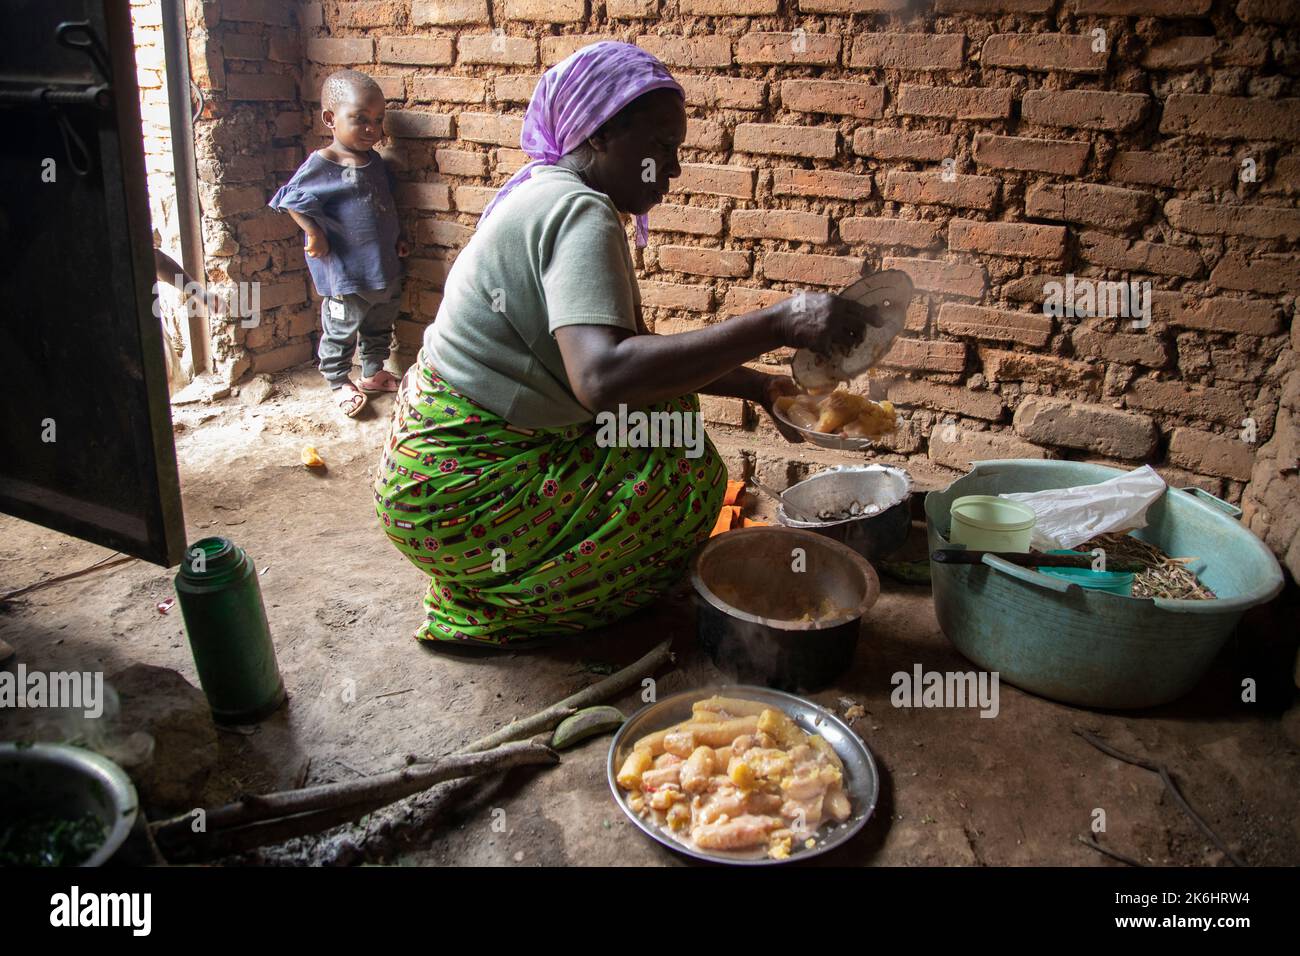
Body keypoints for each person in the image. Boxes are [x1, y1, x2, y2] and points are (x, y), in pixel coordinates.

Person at [374, 41, 876, 647]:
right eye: (663, 148)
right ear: (603, 134)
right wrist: (778, 322)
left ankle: (492, 576)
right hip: (463, 494)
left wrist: (761, 386)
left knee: (664, 409)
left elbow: (629, 355)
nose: (674, 168)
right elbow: (605, 379)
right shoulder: (580, 213)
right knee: (679, 478)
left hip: (425, 483)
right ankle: (526, 604)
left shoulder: (545, 191)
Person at [269, 69, 409, 418]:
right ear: (330, 119)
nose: (371, 129)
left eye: (377, 121)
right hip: (346, 273)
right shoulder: (322, 164)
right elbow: (290, 199)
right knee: (342, 327)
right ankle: (336, 380)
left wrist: (398, 238)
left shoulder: (373, 161)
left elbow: (383, 206)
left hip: (382, 267)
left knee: (380, 321)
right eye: (360, 119)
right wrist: (314, 233)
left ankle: (373, 371)